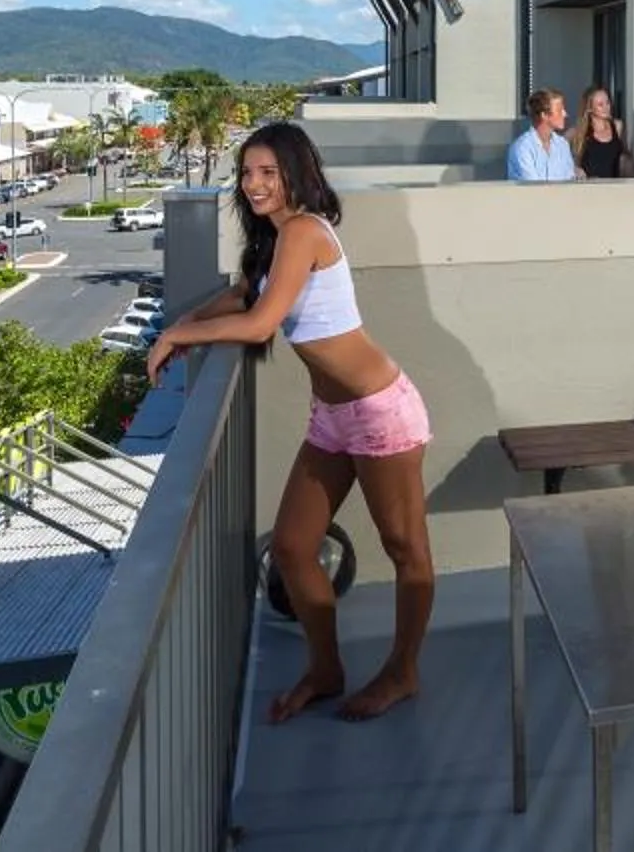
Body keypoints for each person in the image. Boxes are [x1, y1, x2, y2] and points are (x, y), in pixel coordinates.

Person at [149, 121, 432, 722]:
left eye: (267, 173)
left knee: (405, 547)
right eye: (247, 173)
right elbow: (243, 298)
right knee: (293, 547)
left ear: (295, 175)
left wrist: (177, 332)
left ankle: (403, 672)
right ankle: (325, 671)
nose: (253, 185)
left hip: (379, 410)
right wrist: (190, 326)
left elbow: (258, 325)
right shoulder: (279, 241)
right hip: (332, 416)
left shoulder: (303, 230)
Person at [507, 88, 576, 182]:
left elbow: (570, 181)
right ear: (544, 115)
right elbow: (534, 189)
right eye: (560, 110)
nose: (565, 114)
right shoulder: (523, 147)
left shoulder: (562, 144)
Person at [569, 84, 634, 179]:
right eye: (600, 105)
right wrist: (575, 169)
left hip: (614, 185)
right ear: (590, 108)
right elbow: (560, 151)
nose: (606, 107)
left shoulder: (617, 126)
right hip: (589, 187)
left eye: (608, 103)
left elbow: (626, 156)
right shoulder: (579, 131)